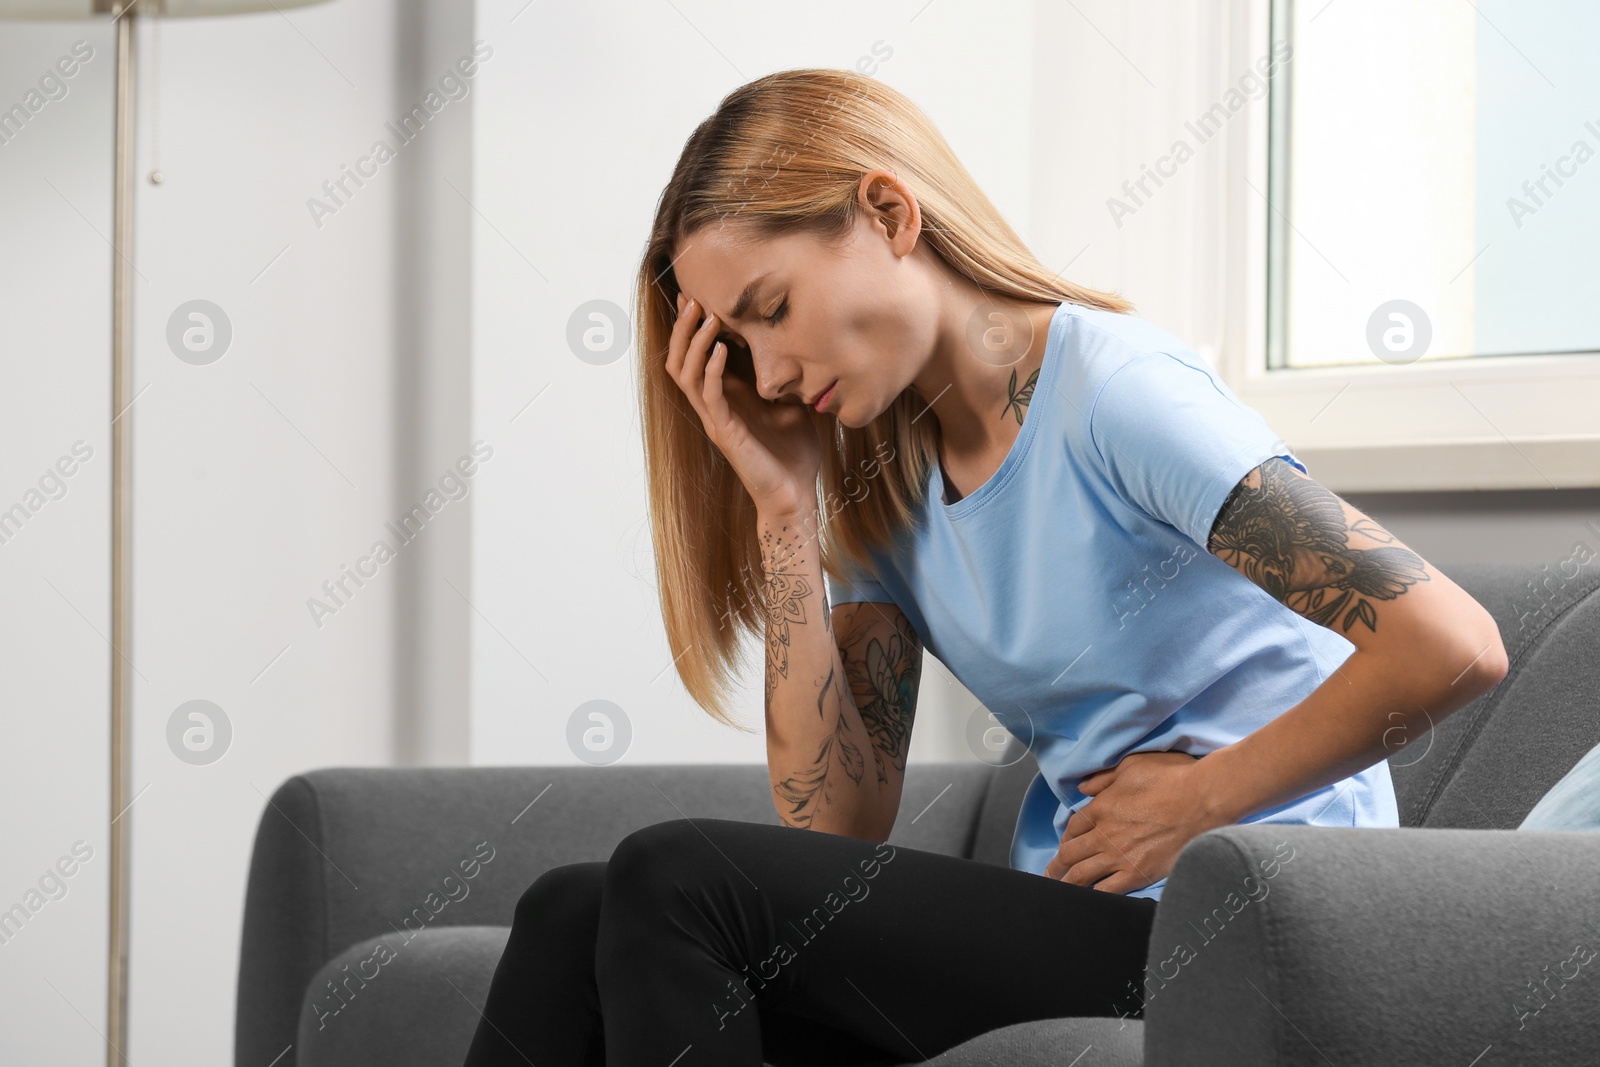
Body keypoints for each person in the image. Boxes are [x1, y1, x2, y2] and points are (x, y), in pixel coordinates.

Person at [461, 68, 1508, 1066]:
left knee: (677, 873)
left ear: (887, 212)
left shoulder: (1117, 395)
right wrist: (784, 507)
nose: (768, 373)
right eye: (737, 345)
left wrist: (1198, 800)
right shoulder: (885, 481)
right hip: (1089, 912)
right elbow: (836, 824)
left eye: (771, 310)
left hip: (1255, 907)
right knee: (570, 908)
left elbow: (1450, 643)